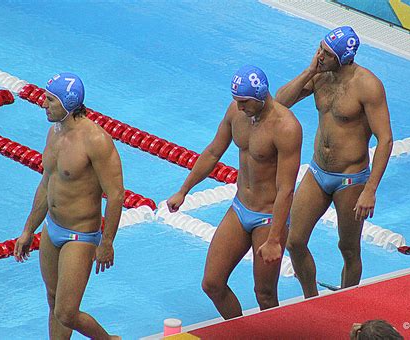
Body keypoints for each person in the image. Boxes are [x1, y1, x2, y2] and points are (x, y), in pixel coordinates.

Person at [167, 65, 302, 319]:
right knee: (212, 283)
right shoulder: (236, 113)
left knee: (265, 294)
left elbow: (286, 189)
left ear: (261, 96)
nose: (239, 107)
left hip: (269, 217)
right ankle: (240, 331)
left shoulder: (286, 127)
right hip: (240, 208)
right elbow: (213, 152)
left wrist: (274, 239)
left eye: (244, 102)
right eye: (236, 101)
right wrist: (183, 190)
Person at [276, 26, 393, 297]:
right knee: (293, 241)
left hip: (350, 179)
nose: (319, 56)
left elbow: (385, 139)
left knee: (348, 248)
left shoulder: (367, 85)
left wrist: (370, 190)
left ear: (344, 58)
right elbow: (281, 103)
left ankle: (345, 301)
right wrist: (310, 71)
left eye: (326, 54)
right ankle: (310, 299)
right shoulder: (320, 75)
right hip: (318, 171)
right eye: (320, 48)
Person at [13, 72, 124, 339]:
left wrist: (107, 242)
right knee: (53, 300)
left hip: (80, 235)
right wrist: (29, 229)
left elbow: (116, 194)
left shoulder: (96, 141)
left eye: (50, 100)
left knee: (67, 312)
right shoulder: (54, 132)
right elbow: (46, 183)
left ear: (69, 103)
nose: (43, 104)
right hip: (53, 229)